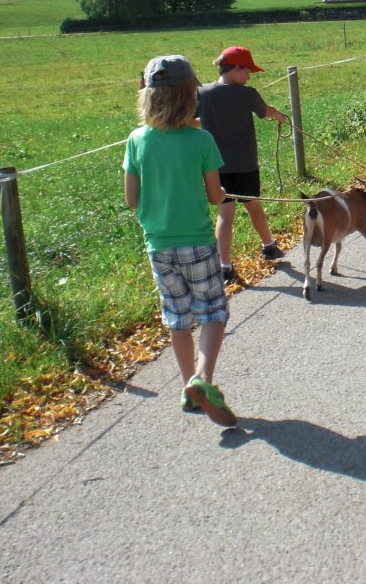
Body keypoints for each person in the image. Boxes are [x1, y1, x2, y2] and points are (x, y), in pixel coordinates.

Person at [123, 55, 237, 427]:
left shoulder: (136, 140)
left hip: (158, 245)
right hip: (198, 242)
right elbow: (216, 195)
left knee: (177, 317)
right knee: (213, 311)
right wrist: (225, 197)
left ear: (148, 96)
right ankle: (202, 379)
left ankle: (189, 387)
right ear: (190, 96)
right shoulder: (201, 140)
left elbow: (132, 199)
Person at [197, 46, 288, 283]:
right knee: (253, 206)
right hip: (246, 164)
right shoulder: (248, 94)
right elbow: (266, 111)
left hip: (216, 167)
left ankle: (224, 266)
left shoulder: (202, 93)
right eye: (247, 71)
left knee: (225, 214)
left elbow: (192, 120)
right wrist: (281, 116)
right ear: (236, 68)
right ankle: (269, 246)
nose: (249, 76)